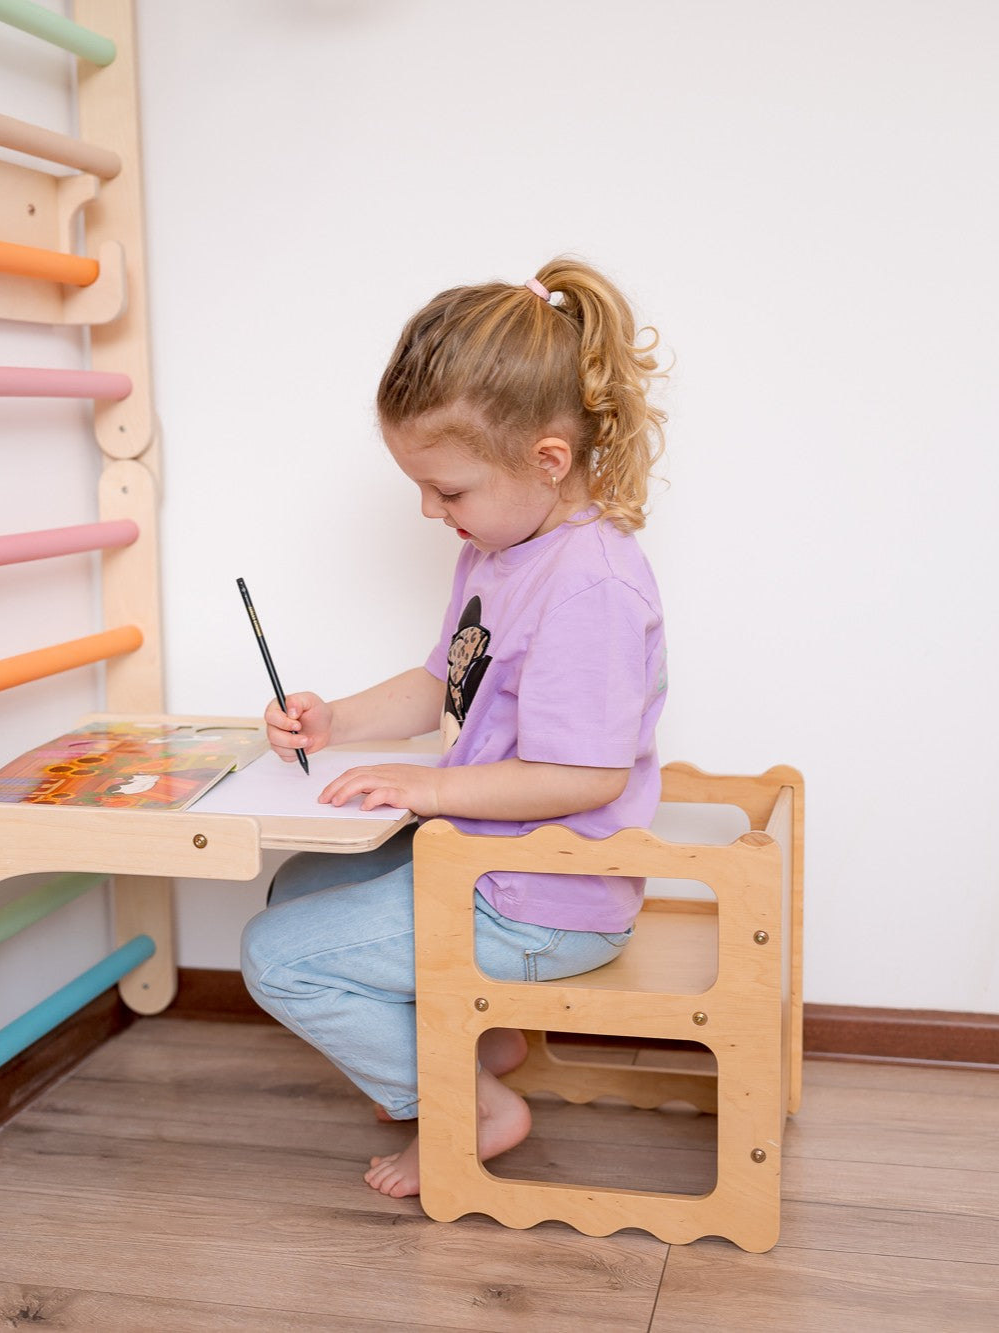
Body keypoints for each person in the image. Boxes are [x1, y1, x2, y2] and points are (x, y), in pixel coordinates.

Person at [240, 256, 669, 1199]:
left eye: (450, 489)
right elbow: (448, 679)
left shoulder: (588, 584)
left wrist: (427, 789)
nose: (431, 511)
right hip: (490, 862)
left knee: (275, 961)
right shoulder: (499, 550)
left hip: (544, 899)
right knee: (299, 884)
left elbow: (584, 775)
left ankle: (468, 1107)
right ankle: (488, 1032)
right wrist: (339, 716)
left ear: (546, 460)